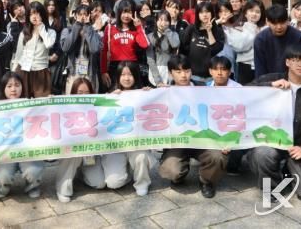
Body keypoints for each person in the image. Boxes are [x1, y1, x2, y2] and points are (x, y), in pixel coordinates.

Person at [249, 44, 301, 208]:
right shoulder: (271, 80)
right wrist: (269, 87)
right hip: (272, 143)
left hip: (300, 149)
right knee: (262, 153)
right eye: (296, 60)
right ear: (287, 62)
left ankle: (290, 171)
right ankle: (272, 188)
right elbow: (243, 93)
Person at [159, 55, 226, 198]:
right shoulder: (164, 92)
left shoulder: (205, 89)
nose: (183, 75)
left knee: (218, 156)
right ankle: (179, 175)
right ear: (170, 73)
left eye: (187, 71)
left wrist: (223, 139)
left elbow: (220, 113)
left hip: (203, 139)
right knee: (172, 170)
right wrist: (148, 92)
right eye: (178, 72)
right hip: (177, 142)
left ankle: (206, 181)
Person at [101, 61, 155, 196]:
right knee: (114, 183)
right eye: (123, 75)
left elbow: (162, 100)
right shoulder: (110, 94)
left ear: (136, 76)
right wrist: (109, 98)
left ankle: (142, 182)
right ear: (118, 76)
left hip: (136, 144)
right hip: (116, 147)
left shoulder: (144, 93)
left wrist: (151, 94)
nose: (126, 78)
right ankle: (127, 171)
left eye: (130, 74)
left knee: (141, 156)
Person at [0, 72, 44, 199]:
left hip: (27, 152)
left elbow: (47, 112)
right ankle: (3, 186)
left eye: (17, 85)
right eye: (9, 86)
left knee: (33, 171)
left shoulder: (31, 105)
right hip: (5, 154)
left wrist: (52, 102)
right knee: (2, 176)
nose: (13, 89)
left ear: (22, 87)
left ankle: (33, 186)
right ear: (3, 88)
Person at [54, 77, 107, 202]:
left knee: (99, 183)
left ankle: (79, 174)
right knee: (73, 154)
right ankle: (63, 187)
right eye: (80, 93)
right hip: (72, 153)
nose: (83, 96)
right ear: (73, 93)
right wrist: (50, 102)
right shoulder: (65, 108)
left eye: (87, 93)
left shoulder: (98, 107)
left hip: (91, 155)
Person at [100, 0, 149, 89]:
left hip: (132, 66)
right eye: (124, 12)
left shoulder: (136, 29)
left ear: (134, 13)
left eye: (129, 12)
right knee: (115, 93)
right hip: (115, 66)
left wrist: (139, 27)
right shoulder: (110, 28)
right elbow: (104, 50)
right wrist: (104, 71)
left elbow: (145, 45)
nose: (126, 16)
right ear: (119, 12)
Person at [11, 1, 56, 98]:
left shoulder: (51, 32)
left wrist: (41, 27)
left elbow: (48, 44)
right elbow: (18, 54)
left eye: (37, 13)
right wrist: (13, 73)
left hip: (41, 72)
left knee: (41, 102)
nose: (34, 16)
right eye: (31, 14)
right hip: (23, 69)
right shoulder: (24, 32)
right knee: (24, 101)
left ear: (42, 15)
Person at [253, 4, 301, 78]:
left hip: (294, 80)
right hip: (268, 81)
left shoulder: (299, 37)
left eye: (282, 22)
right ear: (267, 22)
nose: (279, 27)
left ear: (288, 21)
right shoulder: (261, 39)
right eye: (274, 23)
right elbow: (260, 69)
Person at [60, 5, 102, 94]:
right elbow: (65, 48)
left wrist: (88, 27)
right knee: (73, 99)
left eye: (85, 14)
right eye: (80, 14)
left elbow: (94, 49)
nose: (83, 17)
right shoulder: (67, 30)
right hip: (73, 73)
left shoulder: (94, 32)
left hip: (90, 73)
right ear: (75, 16)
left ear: (89, 16)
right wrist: (77, 26)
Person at [179, 1, 225, 82]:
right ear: (198, 15)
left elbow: (215, 50)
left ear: (212, 13)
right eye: (201, 12)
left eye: (207, 11)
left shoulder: (218, 31)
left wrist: (209, 31)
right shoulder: (191, 29)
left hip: (212, 77)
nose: (204, 15)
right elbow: (183, 50)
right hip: (193, 76)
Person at [227, 0, 263, 85]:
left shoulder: (263, 29)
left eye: (257, 12)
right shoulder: (239, 28)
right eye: (251, 11)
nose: (254, 14)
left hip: (261, 65)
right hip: (245, 66)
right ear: (246, 13)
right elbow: (239, 46)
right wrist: (254, 34)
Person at [146, 10, 180, 87]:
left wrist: (167, 31)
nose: (163, 23)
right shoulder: (150, 36)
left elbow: (175, 45)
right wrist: (158, 80)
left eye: (166, 20)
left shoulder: (174, 34)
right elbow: (150, 60)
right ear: (156, 21)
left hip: (171, 71)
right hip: (156, 71)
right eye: (160, 20)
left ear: (170, 22)